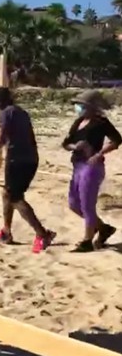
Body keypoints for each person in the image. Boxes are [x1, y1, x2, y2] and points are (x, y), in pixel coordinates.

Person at [0, 87, 56, 252]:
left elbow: (0, 140)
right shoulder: (21, 112)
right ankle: (6, 231)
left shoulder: (5, 113)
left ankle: (42, 233)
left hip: (17, 159)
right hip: (31, 158)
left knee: (15, 197)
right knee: (7, 193)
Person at [61, 90, 121, 252]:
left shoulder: (101, 122)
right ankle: (103, 228)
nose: (78, 108)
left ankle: (87, 241)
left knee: (87, 204)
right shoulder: (78, 121)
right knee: (74, 204)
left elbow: (117, 140)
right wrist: (75, 146)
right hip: (77, 165)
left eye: (82, 105)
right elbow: (66, 143)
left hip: (92, 166)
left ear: (91, 107)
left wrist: (99, 153)